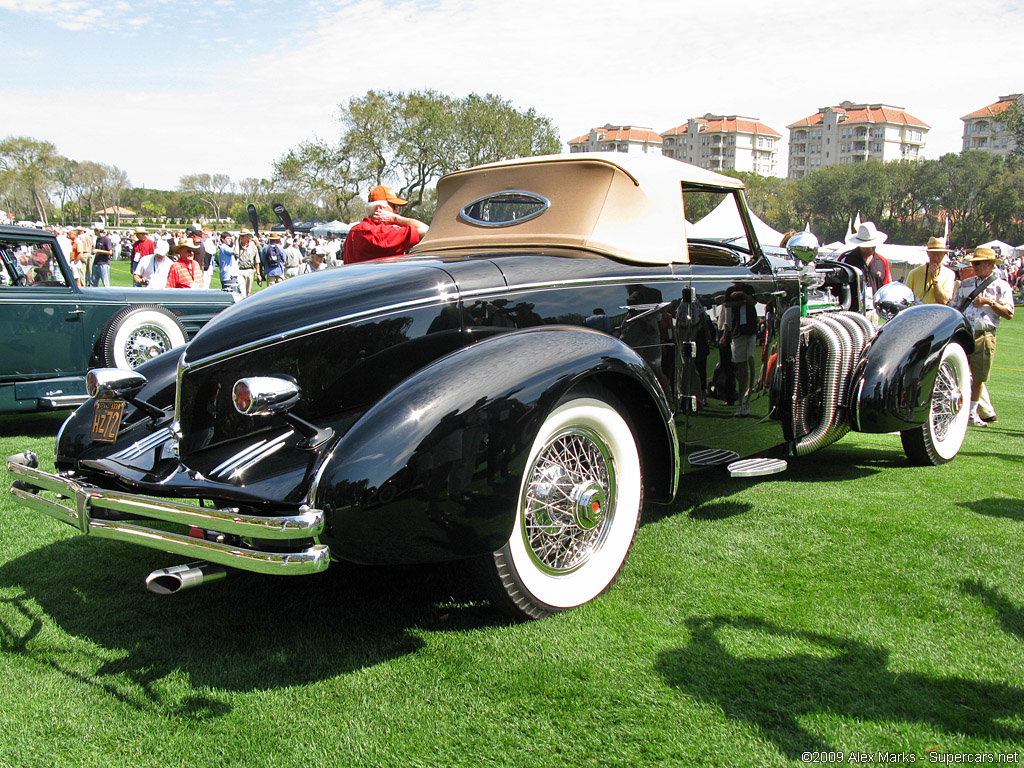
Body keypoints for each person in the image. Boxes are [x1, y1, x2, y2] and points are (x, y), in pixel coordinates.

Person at [950, 247, 1014, 426]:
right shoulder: (966, 284)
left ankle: (971, 413)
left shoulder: (1001, 286)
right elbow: (954, 306)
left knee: (979, 377)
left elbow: (1009, 313)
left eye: (977, 263)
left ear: (990, 264)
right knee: (957, 373)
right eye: (973, 263)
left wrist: (990, 303)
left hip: (984, 334)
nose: (974, 266)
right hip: (964, 333)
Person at [343, 185, 429, 264]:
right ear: (379, 209)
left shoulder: (353, 231)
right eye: (394, 206)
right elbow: (426, 230)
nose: (397, 211)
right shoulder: (382, 234)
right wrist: (395, 218)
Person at [839, 221, 891, 294]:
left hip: (875, 304)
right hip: (852, 304)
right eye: (866, 246)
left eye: (872, 245)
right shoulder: (845, 259)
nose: (870, 249)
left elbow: (887, 289)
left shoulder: (883, 261)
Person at [906, 236, 955, 305]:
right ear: (928, 254)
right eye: (933, 254)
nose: (936, 258)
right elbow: (905, 298)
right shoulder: (914, 273)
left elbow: (944, 301)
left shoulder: (949, 274)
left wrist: (935, 280)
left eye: (939, 255)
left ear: (944, 255)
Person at [235, 230, 261, 297]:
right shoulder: (237, 246)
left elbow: (257, 261)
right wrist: (236, 241)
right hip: (239, 270)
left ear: (247, 237)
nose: (241, 237)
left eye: (243, 236)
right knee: (241, 291)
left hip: (250, 270)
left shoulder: (253, 247)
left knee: (248, 292)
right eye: (240, 236)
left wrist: (258, 274)